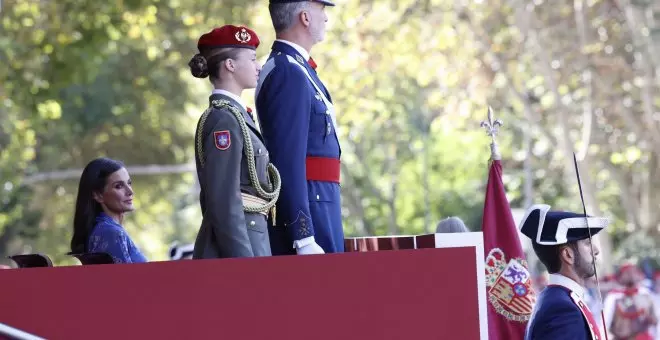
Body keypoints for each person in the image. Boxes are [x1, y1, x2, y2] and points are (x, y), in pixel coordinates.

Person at [255, 0, 343, 256]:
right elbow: (288, 160)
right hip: (312, 207)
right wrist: (302, 234)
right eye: (322, 10)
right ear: (305, 17)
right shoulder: (288, 72)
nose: (325, 18)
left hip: (321, 200)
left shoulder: (297, 68)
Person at [188, 25, 281, 259]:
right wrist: (243, 262)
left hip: (253, 235)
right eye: (252, 58)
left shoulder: (236, 116)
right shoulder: (224, 120)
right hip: (242, 245)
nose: (258, 66)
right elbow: (223, 200)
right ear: (230, 65)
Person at [519, 203, 609, 340]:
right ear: (568, 255)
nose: (595, 250)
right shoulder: (563, 309)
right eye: (587, 243)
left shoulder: (558, 299)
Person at [70, 157, 147, 264]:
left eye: (129, 183)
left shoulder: (102, 229)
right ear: (98, 195)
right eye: (119, 186)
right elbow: (130, 279)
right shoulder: (112, 232)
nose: (130, 191)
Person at [602, 263, 657, 340]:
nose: (631, 274)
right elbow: (606, 323)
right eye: (627, 272)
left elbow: (655, 321)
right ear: (621, 277)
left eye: (633, 271)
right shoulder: (613, 297)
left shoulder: (646, 294)